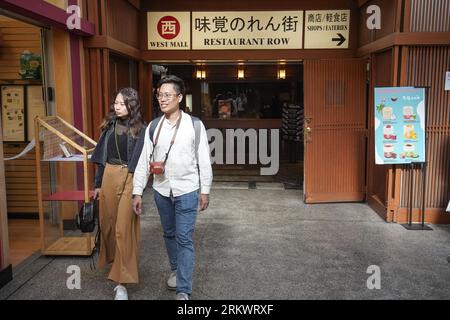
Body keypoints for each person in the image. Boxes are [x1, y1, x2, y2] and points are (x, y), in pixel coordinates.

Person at [132, 75, 213, 300]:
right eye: (160, 95)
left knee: (184, 238)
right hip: (161, 190)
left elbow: (204, 159)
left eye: (167, 95)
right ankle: (176, 270)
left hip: (187, 190)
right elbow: (143, 161)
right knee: (169, 234)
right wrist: (137, 191)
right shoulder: (154, 126)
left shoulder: (194, 125)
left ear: (179, 97)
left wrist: (204, 189)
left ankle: (183, 289)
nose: (162, 99)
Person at [90, 87, 146, 300]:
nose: (117, 106)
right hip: (109, 177)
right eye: (116, 103)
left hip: (130, 176)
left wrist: (139, 189)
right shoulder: (109, 125)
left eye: (122, 103)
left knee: (123, 228)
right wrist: (97, 184)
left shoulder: (141, 128)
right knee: (109, 224)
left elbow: (142, 161)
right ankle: (115, 263)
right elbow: (102, 159)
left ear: (132, 105)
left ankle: (121, 283)